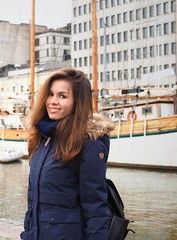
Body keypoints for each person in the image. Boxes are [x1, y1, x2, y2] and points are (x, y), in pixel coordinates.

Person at [20, 67, 115, 240]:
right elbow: (34, 204)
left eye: (62, 96)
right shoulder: (44, 138)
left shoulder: (88, 143)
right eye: (50, 94)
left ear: (77, 102)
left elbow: (95, 209)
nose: (53, 101)